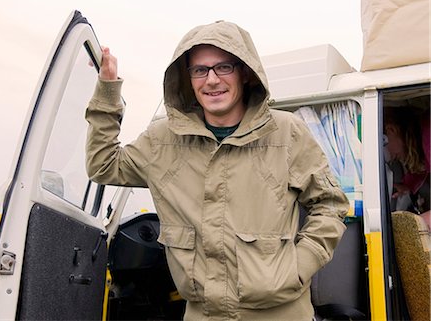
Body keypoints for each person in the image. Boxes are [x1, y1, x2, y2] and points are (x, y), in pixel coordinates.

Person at [85, 21, 349, 320]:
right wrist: (107, 93)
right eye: (200, 70)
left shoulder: (287, 133)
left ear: (245, 73)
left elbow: (329, 204)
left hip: (282, 313)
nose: (211, 80)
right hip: (203, 314)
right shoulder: (162, 140)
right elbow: (103, 165)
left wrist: (299, 267)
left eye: (223, 67)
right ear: (187, 79)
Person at [384, 106, 430, 229]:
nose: (390, 156)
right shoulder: (421, 139)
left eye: (383, 143)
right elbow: (422, 170)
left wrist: (417, 224)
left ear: (391, 130)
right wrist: (408, 186)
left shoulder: (428, 134)